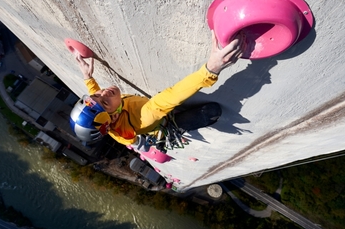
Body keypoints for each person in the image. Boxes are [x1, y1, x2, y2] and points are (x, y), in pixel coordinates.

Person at [71, 31, 243, 146]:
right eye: (105, 102)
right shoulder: (140, 118)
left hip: (140, 121)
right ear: (115, 116)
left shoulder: (104, 118)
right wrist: (211, 69)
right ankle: (180, 125)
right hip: (161, 124)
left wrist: (88, 77)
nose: (104, 93)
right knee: (212, 111)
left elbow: (96, 100)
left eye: (96, 95)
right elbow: (171, 96)